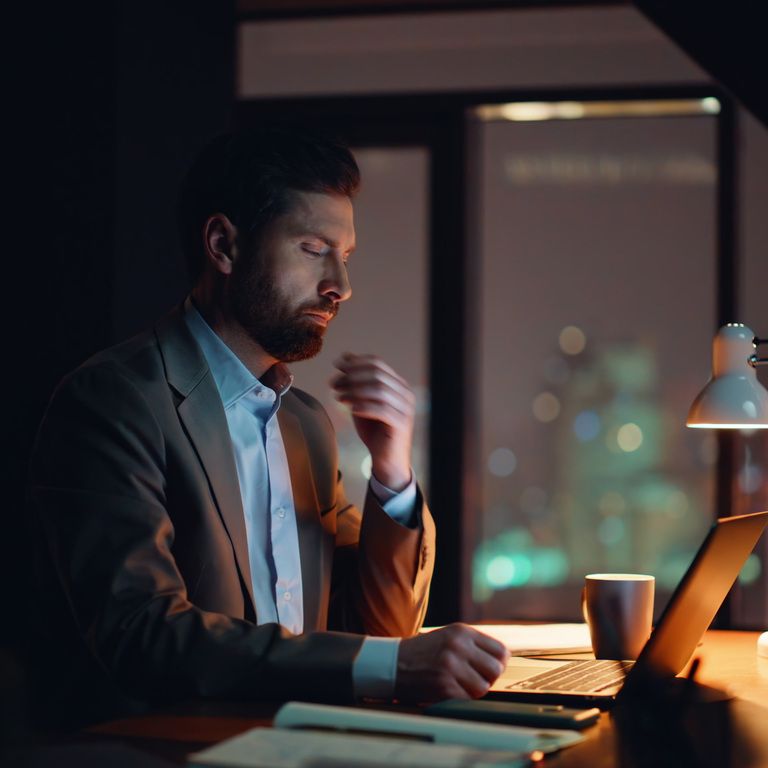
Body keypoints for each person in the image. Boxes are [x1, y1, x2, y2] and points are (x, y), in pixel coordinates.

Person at [26, 125, 508, 729]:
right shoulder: (113, 400)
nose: (341, 286)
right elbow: (140, 634)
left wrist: (392, 472)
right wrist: (389, 667)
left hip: (308, 744)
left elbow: (384, 629)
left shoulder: (305, 424)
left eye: (347, 256)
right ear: (224, 245)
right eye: (313, 249)